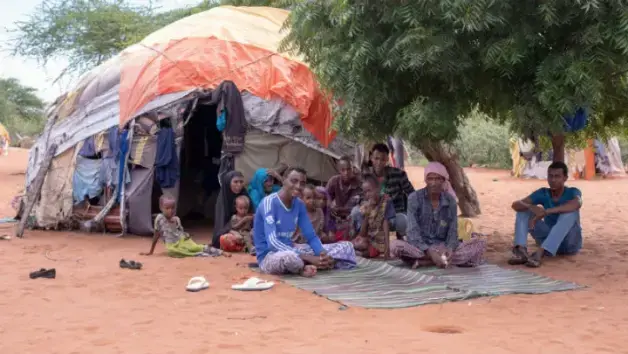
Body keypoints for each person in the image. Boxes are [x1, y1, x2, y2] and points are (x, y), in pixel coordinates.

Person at [253, 167, 357, 277]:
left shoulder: (299, 204)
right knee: (290, 258)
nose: (298, 186)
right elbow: (273, 243)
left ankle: (315, 264)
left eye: (302, 183)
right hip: (269, 256)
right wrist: (309, 257)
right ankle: (304, 266)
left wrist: (322, 254)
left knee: (346, 246)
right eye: (294, 181)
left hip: (294, 249)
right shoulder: (269, 203)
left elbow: (311, 236)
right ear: (284, 180)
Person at [390, 162, 486, 268]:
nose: (434, 183)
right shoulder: (414, 198)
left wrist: (449, 248)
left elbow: (452, 231)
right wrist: (429, 252)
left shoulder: (450, 201)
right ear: (425, 180)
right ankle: (436, 260)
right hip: (420, 247)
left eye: (438, 179)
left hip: (442, 247)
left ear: (444, 181)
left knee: (479, 244)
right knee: (395, 246)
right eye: (430, 178)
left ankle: (425, 262)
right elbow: (412, 232)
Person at [510, 161, 583, 268]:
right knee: (523, 209)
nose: (553, 180)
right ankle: (521, 250)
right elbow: (515, 205)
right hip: (546, 239)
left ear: (565, 178)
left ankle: (541, 252)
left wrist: (547, 211)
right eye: (550, 176)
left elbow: (577, 203)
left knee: (570, 212)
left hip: (569, 244)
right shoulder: (543, 193)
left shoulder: (572, 192)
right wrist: (531, 207)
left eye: (557, 176)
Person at [355, 143, 414, 238]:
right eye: (376, 158)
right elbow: (362, 197)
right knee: (355, 212)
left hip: (394, 214)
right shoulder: (366, 177)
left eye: (382, 159)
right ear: (371, 158)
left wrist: (412, 212)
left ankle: (397, 240)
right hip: (372, 213)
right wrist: (365, 205)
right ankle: (363, 239)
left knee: (402, 221)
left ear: (387, 159)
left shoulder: (398, 174)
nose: (379, 162)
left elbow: (412, 194)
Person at [142, 195, 224, 257]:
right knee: (172, 251)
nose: (170, 210)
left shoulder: (177, 219)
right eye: (167, 208)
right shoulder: (159, 219)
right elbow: (156, 235)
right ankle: (201, 254)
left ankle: (219, 252)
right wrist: (151, 251)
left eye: (172, 208)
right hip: (172, 245)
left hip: (182, 241)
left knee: (195, 247)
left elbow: (181, 233)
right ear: (161, 207)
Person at [350, 174, 394, 259]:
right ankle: (358, 252)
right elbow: (362, 234)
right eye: (365, 192)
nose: (367, 194)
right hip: (371, 239)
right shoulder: (366, 205)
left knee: (373, 250)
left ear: (378, 189)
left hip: (383, 238)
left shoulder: (386, 201)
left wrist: (387, 247)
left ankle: (361, 254)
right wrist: (367, 213)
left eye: (369, 191)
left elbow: (386, 224)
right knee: (358, 243)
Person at [212, 171, 252, 248]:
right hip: (230, 231)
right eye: (235, 182)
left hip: (246, 231)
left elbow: (251, 214)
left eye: (241, 182)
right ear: (228, 183)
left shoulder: (244, 195)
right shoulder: (223, 200)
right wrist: (233, 231)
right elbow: (221, 227)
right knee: (228, 239)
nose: (239, 185)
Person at [326, 156, 362, 240]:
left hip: (352, 219)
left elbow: (362, 207)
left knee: (357, 212)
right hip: (336, 218)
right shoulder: (334, 181)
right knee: (325, 209)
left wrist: (342, 210)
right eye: (343, 170)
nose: (346, 172)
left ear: (352, 169)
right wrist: (330, 205)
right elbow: (325, 195)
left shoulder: (359, 184)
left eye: (348, 169)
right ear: (339, 170)